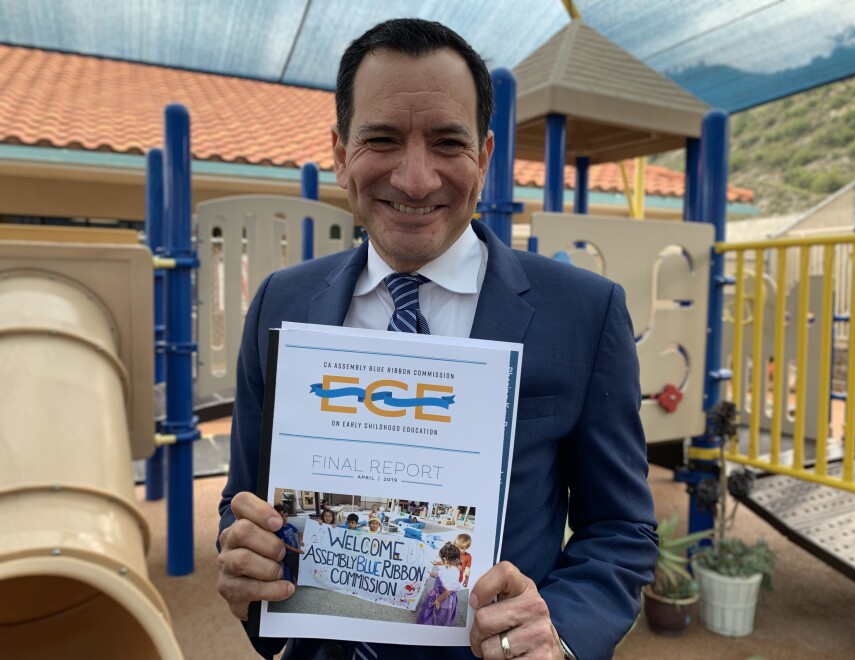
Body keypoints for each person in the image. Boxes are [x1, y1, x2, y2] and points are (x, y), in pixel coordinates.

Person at [217, 17, 657, 660]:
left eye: (448, 143)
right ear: (340, 154)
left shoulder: (583, 312)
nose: (417, 179)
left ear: (483, 156)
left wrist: (556, 634)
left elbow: (620, 529)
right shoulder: (282, 303)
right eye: (383, 139)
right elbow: (242, 498)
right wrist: (244, 553)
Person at [417, 543, 464, 627]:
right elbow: (441, 575)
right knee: (432, 609)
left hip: (443, 597)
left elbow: (448, 591)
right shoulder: (449, 567)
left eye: (441, 559)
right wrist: (434, 575)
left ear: (446, 560)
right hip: (438, 592)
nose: (441, 561)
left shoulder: (452, 573)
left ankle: (434, 625)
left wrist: (438, 600)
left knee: (439, 613)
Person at [273, 504, 303, 583]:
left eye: (286, 516)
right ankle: (288, 583)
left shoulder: (289, 526)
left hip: (295, 553)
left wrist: (300, 540)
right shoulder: (278, 530)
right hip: (287, 554)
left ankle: (297, 581)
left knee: (296, 567)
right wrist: (296, 550)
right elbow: (283, 544)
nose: (284, 518)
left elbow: (300, 532)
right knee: (288, 569)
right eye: (281, 516)